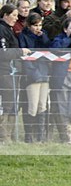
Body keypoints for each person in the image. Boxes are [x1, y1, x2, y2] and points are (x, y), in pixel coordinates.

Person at [0, 5, 32, 142]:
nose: (16, 18)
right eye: (13, 15)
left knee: (12, 102)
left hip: (11, 71)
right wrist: (20, 52)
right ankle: (4, 136)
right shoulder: (2, 30)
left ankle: (10, 135)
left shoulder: (9, 29)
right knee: (7, 103)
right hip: (5, 71)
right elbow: (3, 52)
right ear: (5, 15)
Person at [18, 13, 51, 142]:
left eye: (40, 25)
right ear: (29, 25)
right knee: (32, 105)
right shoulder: (23, 36)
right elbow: (25, 57)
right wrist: (33, 73)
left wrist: (42, 36)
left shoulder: (42, 35)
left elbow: (47, 46)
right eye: (35, 25)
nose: (38, 28)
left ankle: (40, 134)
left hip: (44, 72)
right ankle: (29, 135)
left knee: (43, 105)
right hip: (32, 75)